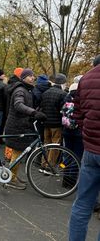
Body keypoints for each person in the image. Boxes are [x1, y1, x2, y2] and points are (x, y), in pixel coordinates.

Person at [69, 55, 100, 241]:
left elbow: (78, 114)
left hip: (90, 150)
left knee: (82, 204)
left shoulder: (86, 78)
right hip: (91, 147)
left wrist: (87, 136)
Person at [5, 68, 47, 190]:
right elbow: (18, 105)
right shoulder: (20, 90)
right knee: (18, 152)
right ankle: (11, 178)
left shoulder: (26, 89)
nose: (33, 78)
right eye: (30, 76)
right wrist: (33, 112)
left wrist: (37, 111)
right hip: (17, 126)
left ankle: (13, 175)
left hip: (21, 125)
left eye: (33, 76)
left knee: (18, 152)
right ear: (23, 78)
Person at [40, 73, 67, 169]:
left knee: (46, 144)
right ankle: (50, 165)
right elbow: (63, 110)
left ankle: (43, 163)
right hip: (56, 124)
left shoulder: (45, 93)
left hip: (46, 123)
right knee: (55, 145)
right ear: (62, 83)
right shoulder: (63, 94)